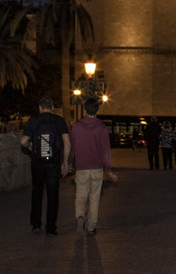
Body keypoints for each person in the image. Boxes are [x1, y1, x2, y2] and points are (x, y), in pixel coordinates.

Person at [19, 97, 71, 236]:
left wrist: (31, 147)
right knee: (53, 195)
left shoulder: (34, 120)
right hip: (53, 163)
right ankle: (51, 228)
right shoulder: (59, 121)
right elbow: (67, 143)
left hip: (37, 162)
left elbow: (23, 141)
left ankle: (36, 225)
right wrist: (65, 163)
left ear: (40, 107)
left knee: (37, 193)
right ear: (53, 107)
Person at [70, 97, 116, 236]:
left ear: (85, 109)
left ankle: (79, 216)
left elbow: (73, 147)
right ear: (97, 110)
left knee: (80, 196)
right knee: (94, 198)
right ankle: (90, 227)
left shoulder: (76, 126)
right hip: (96, 168)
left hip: (82, 167)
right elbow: (105, 151)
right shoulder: (101, 127)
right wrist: (108, 170)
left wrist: (70, 162)